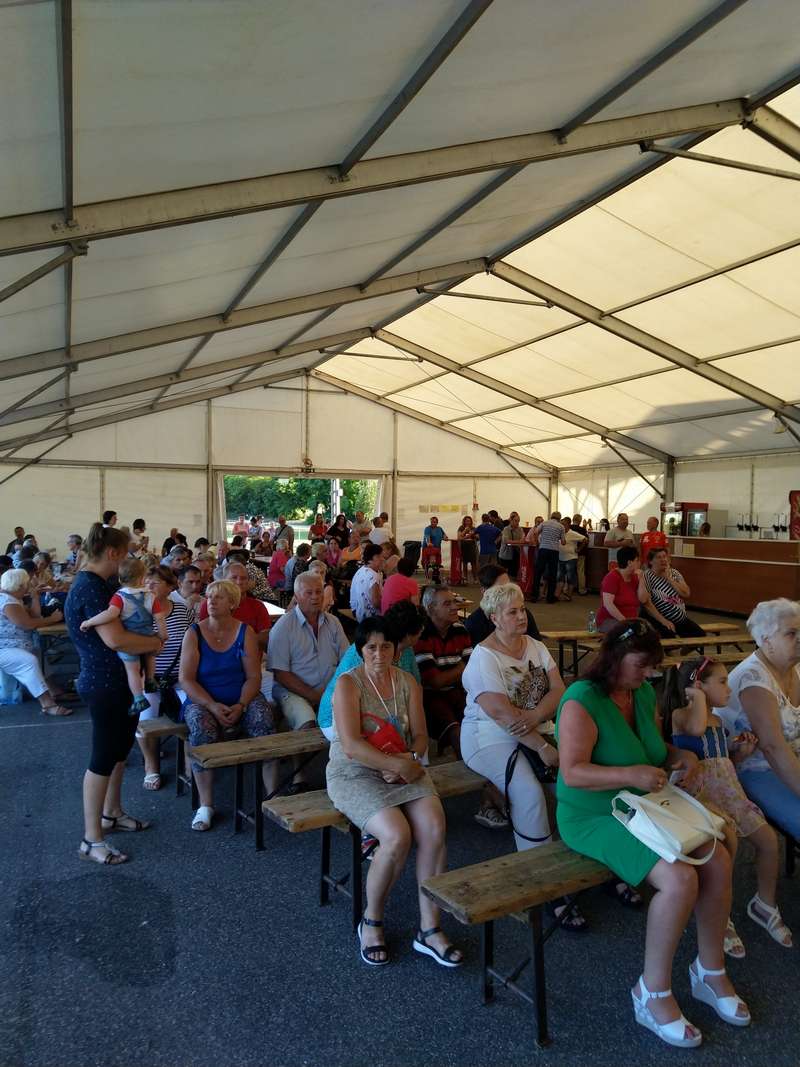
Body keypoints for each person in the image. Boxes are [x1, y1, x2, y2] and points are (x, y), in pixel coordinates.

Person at [556, 619, 749, 1048]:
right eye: (641, 665)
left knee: (717, 857)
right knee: (680, 880)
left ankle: (710, 970)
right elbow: (572, 773)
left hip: (644, 805)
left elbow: (656, 752)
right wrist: (632, 774)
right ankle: (652, 992)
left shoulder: (641, 693)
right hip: (593, 814)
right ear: (614, 657)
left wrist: (680, 757)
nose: (647, 675)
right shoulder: (581, 700)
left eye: (651, 667)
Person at [327, 616, 462, 968]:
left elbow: (420, 735)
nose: (379, 654)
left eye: (385, 646)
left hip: (402, 763)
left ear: (396, 650)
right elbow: (351, 745)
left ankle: (430, 928)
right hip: (355, 771)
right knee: (397, 835)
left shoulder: (407, 683)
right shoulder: (349, 683)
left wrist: (409, 759)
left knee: (434, 827)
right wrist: (397, 765)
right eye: (371, 647)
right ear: (360, 650)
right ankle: (371, 920)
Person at [668, 656, 791, 954]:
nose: (729, 689)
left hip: (729, 793)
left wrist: (741, 751)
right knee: (727, 848)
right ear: (698, 686)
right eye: (722, 682)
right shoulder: (681, 715)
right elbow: (696, 729)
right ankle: (718, 914)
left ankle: (764, 903)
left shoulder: (719, 722)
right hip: (701, 797)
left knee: (768, 841)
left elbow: (724, 764)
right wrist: (697, 697)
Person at [66, 524, 162, 866]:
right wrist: (155, 642)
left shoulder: (104, 584)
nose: (130, 558)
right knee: (103, 757)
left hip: (121, 683)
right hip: (104, 683)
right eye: (127, 552)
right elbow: (116, 639)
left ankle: (112, 813)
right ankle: (91, 839)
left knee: (120, 752)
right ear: (113, 553)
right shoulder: (90, 588)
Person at [179, 580, 277, 831]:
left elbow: (253, 677)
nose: (211, 601)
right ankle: (206, 805)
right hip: (204, 699)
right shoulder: (194, 633)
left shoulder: (245, 632)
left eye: (219, 597)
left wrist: (242, 704)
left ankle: (272, 796)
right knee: (201, 727)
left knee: (264, 719)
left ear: (232, 603)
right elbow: (186, 679)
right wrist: (212, 705)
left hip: (240, 697)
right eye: (209, 596)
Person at [717, 598, 800, 845]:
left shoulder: (795, 668)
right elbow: (772, 747)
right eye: (791, 633)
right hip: (755, 767)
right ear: (766, 641)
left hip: (790, 756)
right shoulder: (753, 679)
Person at [267, 572, 349, 787]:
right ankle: (299, 775)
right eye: (309, 593)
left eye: (319, 592)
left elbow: (346, 660)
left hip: (329, 688)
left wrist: (332, 692)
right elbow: (281, 673)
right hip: (292, 689)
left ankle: (343, 773)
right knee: (306, 721)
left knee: (352, 718)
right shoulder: (283, 627)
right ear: (296, 596)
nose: (315, 597)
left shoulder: (333, 622)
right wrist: (314, 695)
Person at [318, 602, 424, 741]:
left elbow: (417, 686)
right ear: (409, 635)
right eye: (421, 630)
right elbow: (352, 740)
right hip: (339, 719)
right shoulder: (363, 652)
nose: (379, 654)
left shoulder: (406, 650)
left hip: (388, 718)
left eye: (386, 646)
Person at [80, 557, 168, 715]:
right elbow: (159, 618)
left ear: (120, 579)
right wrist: (162, 635)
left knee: (132, 669)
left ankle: (139, 698)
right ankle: (150, 680)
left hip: (131, 639)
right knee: (150, 657)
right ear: (143, 578)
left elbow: (110, 614)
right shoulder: (151, 596)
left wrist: (89, 621)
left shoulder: (119, 596)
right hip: (148, 636)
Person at [136, 565, 191, 790]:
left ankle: (190, 763)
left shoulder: (182, 610)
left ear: (170, 587)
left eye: (155, 582)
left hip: (180, 678)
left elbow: (193, 643)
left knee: (193, 713)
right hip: (149, 679)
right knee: (144, 720)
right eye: (146, 581)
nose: (149, 585)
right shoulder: (137, 613)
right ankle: (151, 765)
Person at [0, 569, 70, 716]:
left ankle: (54, 691)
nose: (28, 586)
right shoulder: (7, 601)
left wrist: (35, 597)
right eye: (27, 584)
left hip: (15, 645)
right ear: (19, 585)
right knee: (29, 661)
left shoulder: (12, 598)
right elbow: (27, 624)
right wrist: (53, 619)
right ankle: (48, 704)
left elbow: (34, 615)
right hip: (4, 648)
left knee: (38, 655)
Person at [199, 561, 271, 653]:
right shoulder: (211, 604)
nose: (239, 582)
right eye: (234, 578)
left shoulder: (258, 606)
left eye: (243, 578)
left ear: (248, 581)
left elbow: (265, 636)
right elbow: (204, 635)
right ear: (224, 580)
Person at [464, 563, 541, 645]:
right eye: (501, 589)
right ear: (484, 591)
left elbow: (537, 645)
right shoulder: (474, 622)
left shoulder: (523, 613)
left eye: (509, 585)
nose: (508, 591)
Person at [639, 548, 705, 639]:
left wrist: (669, 578)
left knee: (700, 635)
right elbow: (647, 604)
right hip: (660, 619)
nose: (663, 560)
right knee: (670, 638)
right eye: (658, 557)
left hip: (681, 619)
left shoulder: (674, 573)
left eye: (664, 556)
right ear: (650, 561)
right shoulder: (647, 576)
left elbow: (686, 593)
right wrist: (663, 621)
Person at [596, 546, 640, 633]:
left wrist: (642, 579)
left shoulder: (635, 578)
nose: (639, 563)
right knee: (630, 632)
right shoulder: (612, 577)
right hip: (609, 620)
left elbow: (643, 599)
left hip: (630, 621)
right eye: (637, 560)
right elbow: (608, 604)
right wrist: (625, 622)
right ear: (629, 562)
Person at [530, 512, 565, 603]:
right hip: (554, 551)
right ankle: (550, 598)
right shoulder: (561, 526)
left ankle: (534, 596)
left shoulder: (544, 523)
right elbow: (563, 542)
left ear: (551, 516)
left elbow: (535, 532)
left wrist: (538, 543)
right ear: (559, 519)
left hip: (543, 549)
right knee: (552, 574)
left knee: (538, 573)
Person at [350, 543, 384, 622]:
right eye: (378, 556)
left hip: (357, 611)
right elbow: (376, 603)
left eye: (382, 556)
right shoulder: (373, 575)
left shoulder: (361, 570)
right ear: (369, 559)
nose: (382, 559)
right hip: (369, 618)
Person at [555, 516, 586, 602]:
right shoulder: (559, 533)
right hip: (561, 558)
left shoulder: (573, 533)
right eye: (561, 524)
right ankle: (557, 595)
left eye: (564, 524)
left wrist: (579, 549)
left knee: (570, 577)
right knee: (560, 577)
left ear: (569, 525)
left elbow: (585, 539)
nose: (562, 526)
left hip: (571, 558)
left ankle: (569, 595)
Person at [497, 513, 524, 580]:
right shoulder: (506, 529)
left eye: (518, 521)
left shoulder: (520, 529)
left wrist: (519, 541)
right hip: (505, 555)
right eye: (515, 521)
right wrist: (519, 542)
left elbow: (523, 539)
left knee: (513, 574)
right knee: (502, 574)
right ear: (511, 521)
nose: (517, 523)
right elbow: (507, 541)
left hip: (515, 555)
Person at [570, 514, 590, 595]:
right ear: (580, 521)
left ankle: (568, 589)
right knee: (580, 571)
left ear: (573, 519)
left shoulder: (568, 528)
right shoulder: (582, 530)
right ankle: (582, 590)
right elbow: (586, 540)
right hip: (581, 553)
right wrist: (579, 549)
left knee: (569, 571)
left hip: (569, 553)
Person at [456, 515, 478, 583]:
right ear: (464, 521)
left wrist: (472, 534)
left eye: (469, 521)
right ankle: (465, 578)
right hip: (464, 547)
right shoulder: (461, 528)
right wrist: (465, 531)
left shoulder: (473, 528)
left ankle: (475, 579)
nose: (468, 522)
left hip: (472, 547)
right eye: (466, 521)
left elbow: (477, 537)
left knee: (473, 564)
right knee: (464, 564)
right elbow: (459, 537)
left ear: (471, 522)